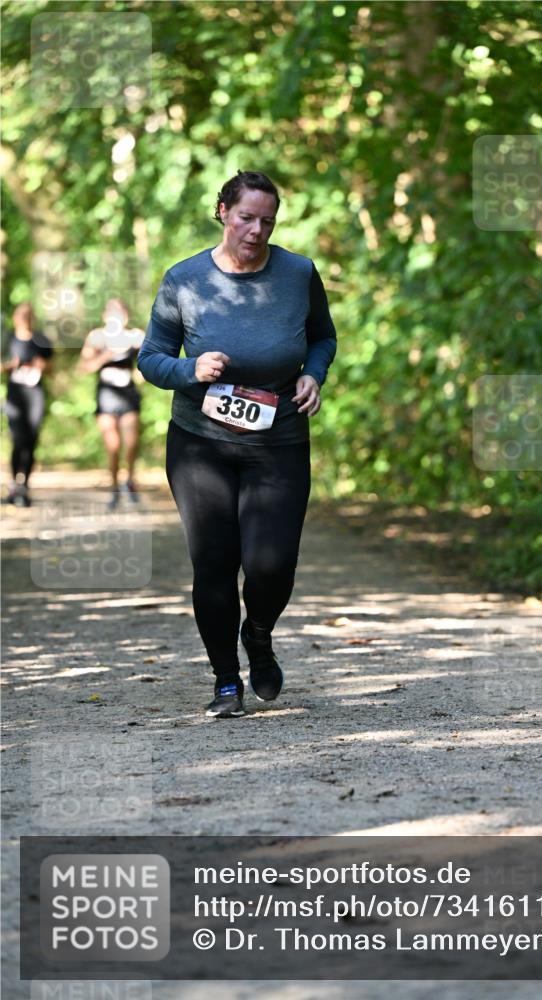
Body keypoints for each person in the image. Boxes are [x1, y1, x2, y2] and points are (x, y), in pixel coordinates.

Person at [138, 169, 337, 719]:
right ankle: (226, 679)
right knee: (215, 564)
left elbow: (323, 337)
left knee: (272, 564)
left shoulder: (298, 274)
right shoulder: (184, 279)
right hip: (200, 445)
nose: (256, 231)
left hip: (280, 440)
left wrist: (313, 374)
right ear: (223, 212)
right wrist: (190, 369)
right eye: (247, 217)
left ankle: (260, 633)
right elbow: (151, 359)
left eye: (267, 221)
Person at [78, 298, 144, 510]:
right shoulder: (96, 337)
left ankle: (130, 480)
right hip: (106, 395)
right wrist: (105, 356)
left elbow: (150, 359)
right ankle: (114, 487)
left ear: (126, 316)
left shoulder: (135, 336)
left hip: (128, 394)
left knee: (131, 443)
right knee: (113, 446)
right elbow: (84, 367)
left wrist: (143, 372)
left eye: (120, 312)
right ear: (105, 316)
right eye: (112, 312)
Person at [2, 303, 53, 508]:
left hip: (35, 394)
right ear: (16, 319)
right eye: (22, 317)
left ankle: (25, 486)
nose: (25, 320)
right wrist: (10, 365)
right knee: (18, 439)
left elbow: (51, 369)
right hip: (15, 395)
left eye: (29, 317)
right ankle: (14, 484)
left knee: (31, 439)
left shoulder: (41, 341)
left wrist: (42, 366)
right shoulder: (8, 339)